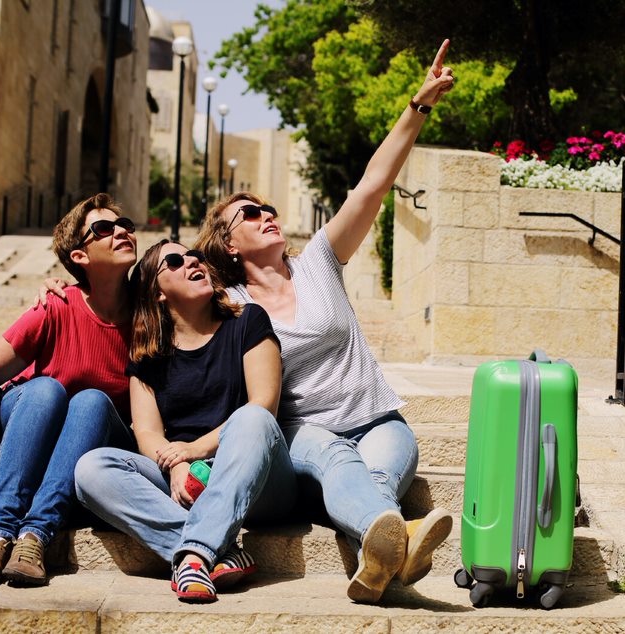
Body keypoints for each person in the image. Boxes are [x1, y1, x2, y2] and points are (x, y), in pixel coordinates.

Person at [193, 39, 457, 603]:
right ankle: (397, 538)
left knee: (379, 478)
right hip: (300, 438)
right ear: (229, 242)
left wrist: (419, 104)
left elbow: (372, 185)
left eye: (269, 210)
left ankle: (382, 556)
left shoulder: (318, 260)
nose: (267, 217)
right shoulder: (231, 303)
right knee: (337, 457)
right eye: (250, 215)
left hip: (376, 420)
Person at [74, 240, 294, 603]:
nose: (193, 261)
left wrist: (192, 451)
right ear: (157, 292)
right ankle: (218, 551)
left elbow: (264, 405)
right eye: (176, 261)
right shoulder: (147, 356)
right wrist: (175, 467)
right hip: (185, 483)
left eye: (196, 256)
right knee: (91, 468)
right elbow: (146, 432)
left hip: (258, 479)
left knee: (252, 417)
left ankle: (196, 553)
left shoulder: (248, 321)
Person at [0, 194, 136, 587]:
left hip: (101, 440)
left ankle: (35, 533)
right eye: (104, 229)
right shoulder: (54, 306)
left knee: (89, 400)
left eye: (126, 225)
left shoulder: (149, 317)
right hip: (31, 423)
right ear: (79, 256)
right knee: (46, 390)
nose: (122, 231)